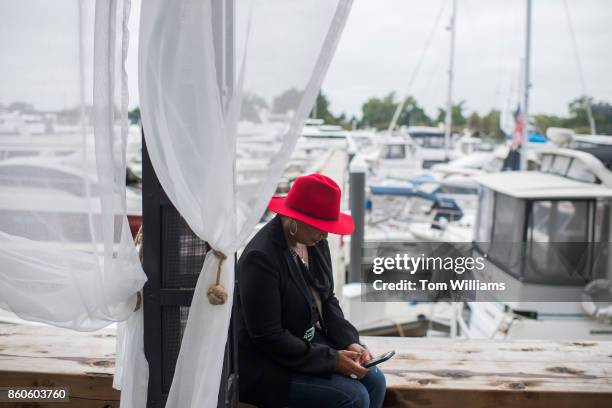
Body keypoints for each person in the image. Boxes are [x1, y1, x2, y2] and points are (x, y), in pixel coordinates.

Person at [236, 174, 386, 408]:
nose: (326, 234)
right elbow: (268, 337)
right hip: (265, 363)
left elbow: (327, 299)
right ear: (295, 220)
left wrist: (349, 342)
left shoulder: (313, 240)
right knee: (354, 397)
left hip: (303, 343)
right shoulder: (261, 258)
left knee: (375, 380)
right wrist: (333, 360)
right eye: (322, 228)